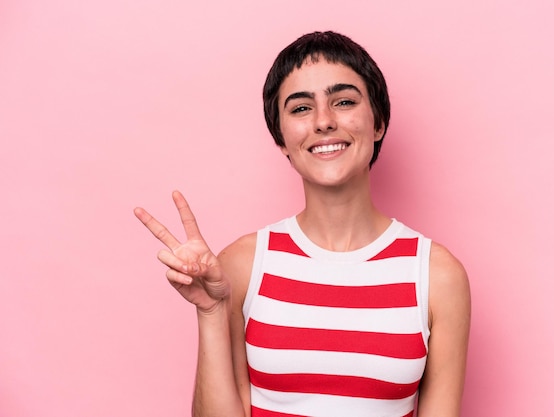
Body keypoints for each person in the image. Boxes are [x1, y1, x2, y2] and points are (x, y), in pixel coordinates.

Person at [134, 31, 470, 417]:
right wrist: (211, 312)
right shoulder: (243, 265)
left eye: (344, 102)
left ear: (378, 124)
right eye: (300, 109)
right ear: (281, 139)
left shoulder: (436, 275)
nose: (324, 122)